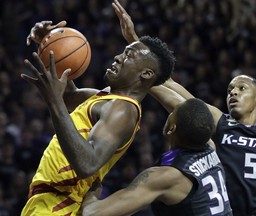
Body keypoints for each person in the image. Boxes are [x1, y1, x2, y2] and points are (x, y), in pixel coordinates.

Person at [114, 5, 256, 216]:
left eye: (242, 88)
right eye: (230, 89)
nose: (233, 93)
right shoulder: (219, 121)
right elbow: (169, 86)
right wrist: (137, 45)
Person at [20, 0, 175, 215]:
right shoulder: (107, 98)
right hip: (47, 200)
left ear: (146, 74)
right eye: (123, 52)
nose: (118, 57)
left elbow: (88, 164)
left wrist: (53, 102)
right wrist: (49, 44)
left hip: (61, 205)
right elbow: (69, 96)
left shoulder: (123, 110)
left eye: (129, 55)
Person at [81, 98, 233, 216]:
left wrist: (92, 189)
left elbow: (92, 213)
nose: (170, 111)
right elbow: (192, 117)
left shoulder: (167, 177)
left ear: (172, 128)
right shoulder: (210, 148)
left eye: (173, 112)